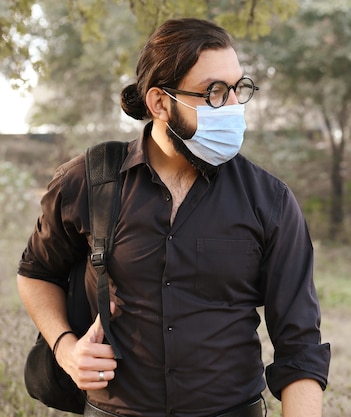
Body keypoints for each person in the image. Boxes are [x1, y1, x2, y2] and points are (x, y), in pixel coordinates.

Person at [17, 18, 330, 417]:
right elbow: (36, 272)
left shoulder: (269, 200)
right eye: (214, 92)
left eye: (239, 89)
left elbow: (300, 345)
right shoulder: (89, 181)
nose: (233, 106)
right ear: (160, 103)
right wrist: (65, 349)